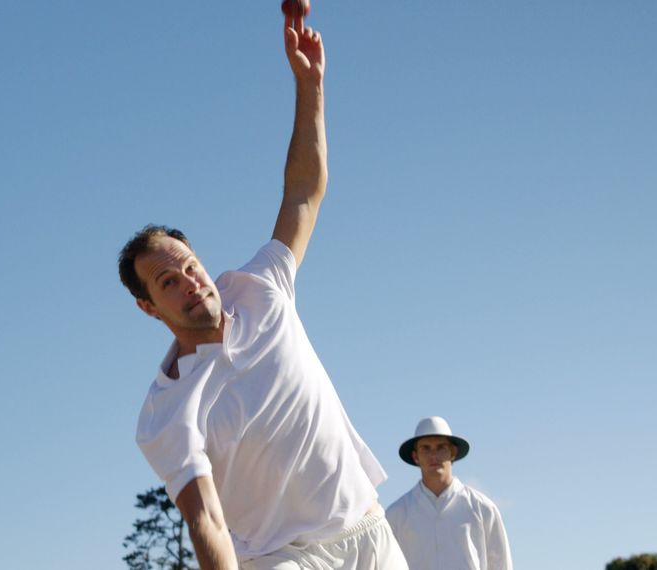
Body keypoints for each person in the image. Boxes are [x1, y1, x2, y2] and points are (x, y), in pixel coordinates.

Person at [116, 11, 408, 570]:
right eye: (167, 282)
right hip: (283, 559)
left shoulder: (261, 287)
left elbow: (303, 192)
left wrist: (309, 87)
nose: (189, 284)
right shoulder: (166, 413)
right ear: (148, 307)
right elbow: (205, 521)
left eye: (189, 266)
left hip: (368, 533)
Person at [385, 417, 513, 570]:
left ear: (453, 452)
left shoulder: (482, 508)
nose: (434, 455)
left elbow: (501, 565)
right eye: (426, 448)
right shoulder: (396, 514)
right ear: (415, 456)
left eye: (441, 447)